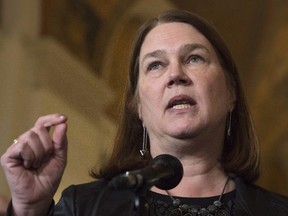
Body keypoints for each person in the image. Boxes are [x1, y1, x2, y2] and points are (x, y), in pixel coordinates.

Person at [1, 9, 288, 216]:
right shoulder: (86, 206)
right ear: (138, 107)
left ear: (231, 94)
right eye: (155, 65)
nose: (176, 74)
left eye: (195, 58)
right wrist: (28, 209)